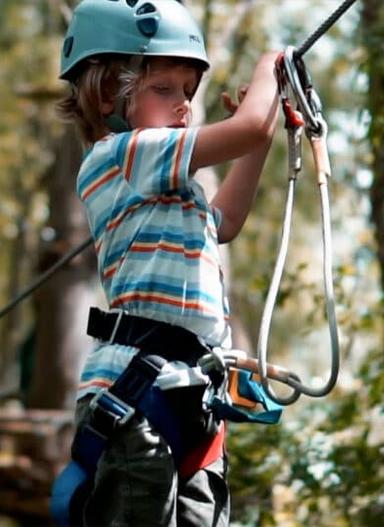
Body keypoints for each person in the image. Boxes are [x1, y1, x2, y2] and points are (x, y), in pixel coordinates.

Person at [51, 0, 279, 525]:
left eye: (188, 93)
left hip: (192, 395)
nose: (183, 106)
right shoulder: (123, 153)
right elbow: (249, 129)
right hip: (137, 398)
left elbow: (225, 222)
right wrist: (270, 66)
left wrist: (257, 142)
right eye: (164, 89)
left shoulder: (169, 188)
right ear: (109, 94)